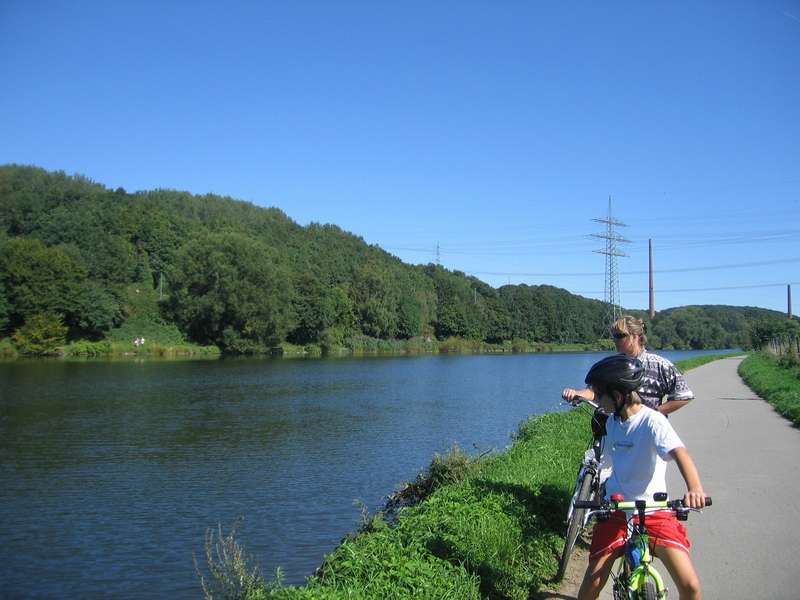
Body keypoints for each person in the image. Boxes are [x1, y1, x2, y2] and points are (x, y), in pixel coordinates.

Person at [575, 354, 707, 600]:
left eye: (599, 394)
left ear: (617, 395)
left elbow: (680, 453)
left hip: (654, 511)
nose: (596, 399)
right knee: (592, 581)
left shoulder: (652, 421)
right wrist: (599, 494)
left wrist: (695, 488)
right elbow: (609, 464)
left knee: (691, 586)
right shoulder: (612, 422)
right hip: (617, 510)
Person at [562, 315, 694, 416]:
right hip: (617, 431)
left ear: (636, 336)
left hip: (648, 434)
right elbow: (594, 392)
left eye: (620, 336)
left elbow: (684, 395)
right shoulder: (611, 365)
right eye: (614, 336)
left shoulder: (659, 364)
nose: (615, 340)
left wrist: (653, 414)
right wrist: (576, 393)